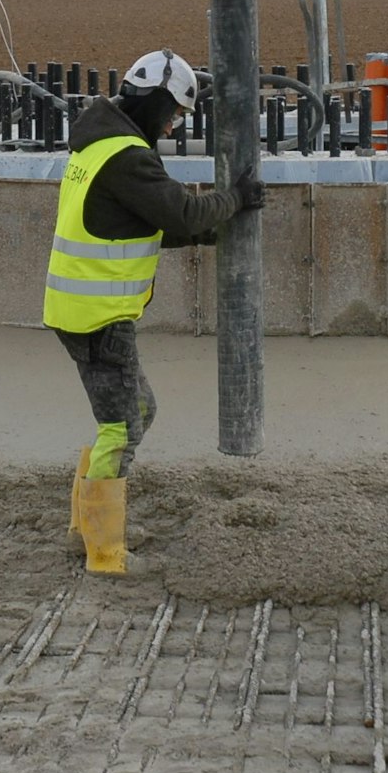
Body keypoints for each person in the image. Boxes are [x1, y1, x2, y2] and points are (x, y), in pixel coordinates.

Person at [48, 49, 264, 575]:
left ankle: (89, 524)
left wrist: (211, 232)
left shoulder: (98, 146)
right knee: (121, 428)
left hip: (85, 311)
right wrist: (235, 199)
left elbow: (141, 224)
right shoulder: (126, 155)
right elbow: (181, 212)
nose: (171, 126)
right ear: (155, 101)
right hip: (100, 317)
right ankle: (104, 552)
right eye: (173, 115)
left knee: (136, 413)